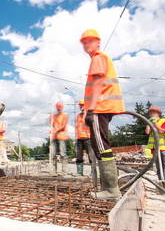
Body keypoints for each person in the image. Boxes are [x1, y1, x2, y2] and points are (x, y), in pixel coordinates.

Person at [80, 29, 125, 200]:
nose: (86, 45)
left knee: (101, 146)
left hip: (100, 107)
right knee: (100, 144)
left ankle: (111, 190)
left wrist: (91, 109)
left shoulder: (98, 58)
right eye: (84, 42)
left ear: (98, 42)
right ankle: (108, 188)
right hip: (103, 107)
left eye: (90, 41)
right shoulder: (100, 58)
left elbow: (98, 84)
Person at [75, 99, 97, 180]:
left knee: (91, 156)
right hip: (79, 138)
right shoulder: (78, 116)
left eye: (82, 105)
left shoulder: (89, 114)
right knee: (79, 156)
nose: (81, 106)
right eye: (80, 105)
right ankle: (79, 172)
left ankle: (93, 172)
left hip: (88, 138)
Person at [50, 101, 69, 175]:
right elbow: (51, 125)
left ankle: (64, 171)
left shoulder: (65, 116)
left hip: (62, 137)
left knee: (63, 154)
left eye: (60, 108)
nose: (59, 109)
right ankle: (54, 171)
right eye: (58, 108)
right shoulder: (54, 116)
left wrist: (55, 130)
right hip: (54, 137)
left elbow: (63, 126)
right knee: (53, 154)